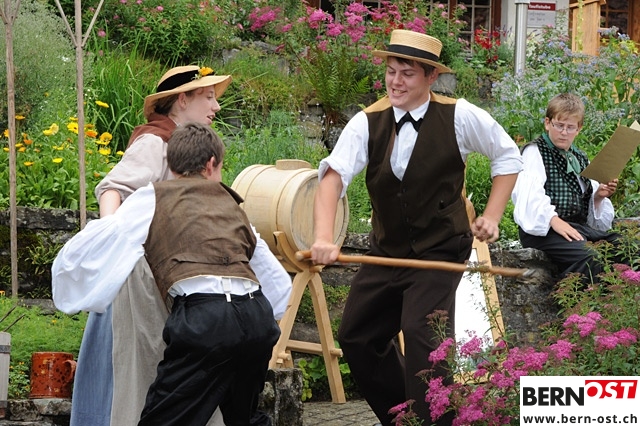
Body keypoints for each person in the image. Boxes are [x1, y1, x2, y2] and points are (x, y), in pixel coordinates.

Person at [310, 29, 522, 425]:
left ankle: (435, 422)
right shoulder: (367, 121)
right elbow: (332, 178)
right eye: (391, 71)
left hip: (441, 247)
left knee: (424, 336)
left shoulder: (460, 115)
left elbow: (507, 157)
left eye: (407, 73)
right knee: (357, 335)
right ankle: (406, 418)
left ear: (431, 76)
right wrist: (323, 237)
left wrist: (492, 216)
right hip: (387, 250)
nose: (395, 82)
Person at [63, 65, 289, 426]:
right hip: (149, 283)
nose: (216, 106)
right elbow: (113, 189)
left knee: (181, 381)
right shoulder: (156, 142)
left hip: (186, 291)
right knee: (153, 369)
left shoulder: (188, 158)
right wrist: (114, 247)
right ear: (182, 100)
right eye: (208, 96)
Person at [511, 93, 620, 283]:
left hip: (575, 228)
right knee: (590, 256)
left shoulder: (580, 157)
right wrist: (553, 220)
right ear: (547, 123)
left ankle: (613, 299)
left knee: (624, 248)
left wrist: (598, 197)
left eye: (570, 127)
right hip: (543, 231)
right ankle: (570, 300)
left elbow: (586, 204)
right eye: (559, 125)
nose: (564, 132)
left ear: (579, 129)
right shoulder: (535, 152)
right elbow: (530, 197)